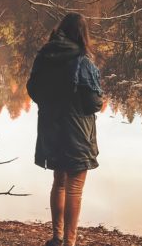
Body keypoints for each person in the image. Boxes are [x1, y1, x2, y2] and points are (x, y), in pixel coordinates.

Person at [26, 13, 104, 246]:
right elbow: (93, 104)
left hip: (51, 129)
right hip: (77, 133)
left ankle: (57, 238)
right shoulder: (83, 62)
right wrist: (101, 99)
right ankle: (70, 242)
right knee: (74, 188)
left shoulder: (44, 56)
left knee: (58, 182)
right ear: (82, 35)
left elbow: (34, 91)